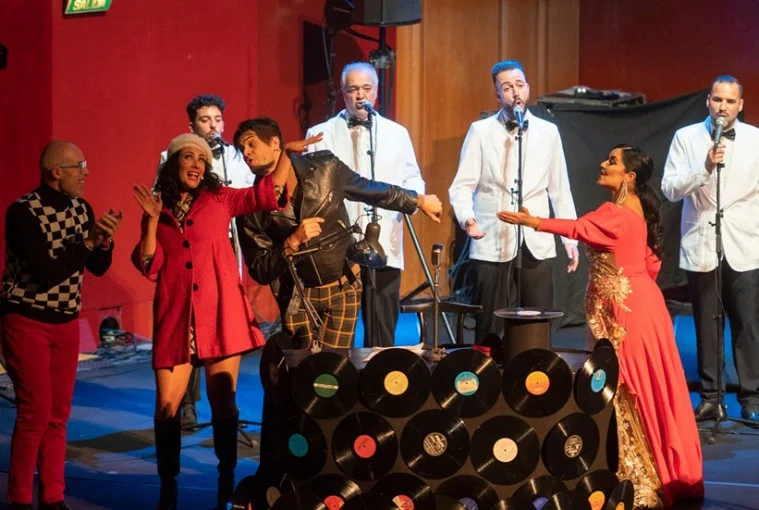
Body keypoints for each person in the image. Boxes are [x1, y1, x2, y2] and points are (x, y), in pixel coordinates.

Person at [499, 145, 704, 508]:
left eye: (612, 161)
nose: (603, 164)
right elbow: (651, 264)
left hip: (627, 313)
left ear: (629, 176)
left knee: (625, 386)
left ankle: (637, 476)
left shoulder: (617, 213)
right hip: (638, 306)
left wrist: (535, 223)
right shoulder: (637, 210)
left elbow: (579, 228)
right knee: (631, 385)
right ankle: (643, 468)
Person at [132, 133, 287, 510]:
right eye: (189, 157)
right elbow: (149, 265)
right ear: (174, 164)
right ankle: (168, 489)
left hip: (219, 313)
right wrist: (151, 222)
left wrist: (288, 155)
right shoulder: (158, 208)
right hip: (177, 317)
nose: (197, 165)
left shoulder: (221, 198)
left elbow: (265, 195)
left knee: (224, 402)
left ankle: (225, 486)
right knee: (166, 406)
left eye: (202, 159)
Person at [236, 117, 442, 349]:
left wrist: (418, 200)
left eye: (251, 144)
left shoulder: (325, 168)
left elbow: (370, 190)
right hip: (296, 296)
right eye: (241, 149)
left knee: (335, 367)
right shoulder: (250, 205)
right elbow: (260, 270)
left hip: (343, 286)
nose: (246, 153)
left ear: (275, 143)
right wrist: (291, 242)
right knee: (304, 367)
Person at [1, 141, 121, 510]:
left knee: (58, 415)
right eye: (79, 166)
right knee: (35, 412)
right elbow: (46, 272)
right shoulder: (23, 212)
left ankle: (53, 496)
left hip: (66, 322)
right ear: (56, 172)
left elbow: (96, 266)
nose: (85, 173)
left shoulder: (81, 208)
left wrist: (104, 241)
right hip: (27, 320)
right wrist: (88, 240)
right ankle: (20, 499)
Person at [448, 59, 579, 343]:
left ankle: (535, 367)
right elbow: (461, 186)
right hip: (492, 238)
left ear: (528, 88)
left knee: (538, 318)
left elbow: (560, 190)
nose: (515, 92)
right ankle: (488, 367)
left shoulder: (548, 132)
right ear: (497, 95)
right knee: (490, 322)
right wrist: (468, 219)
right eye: (507, 87)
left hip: (536, 239)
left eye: (520, 85)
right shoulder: (480, 131)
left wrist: (570, 239)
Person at [305, 62, 426, 348]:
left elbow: (413, 179)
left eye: (366, 88)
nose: (360, 96)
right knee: (337, 325)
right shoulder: (320, 133)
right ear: (342, 93)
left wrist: (413, 200)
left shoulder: (397, 133)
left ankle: (379, 371)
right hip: (337, 241)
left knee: (382, 323)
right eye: (353, 89)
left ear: (376, 92)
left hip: (384, 238)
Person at [662, 74, 759, 424]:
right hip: (702, 239)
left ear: (740, 105)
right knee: (706, 322)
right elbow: (670, 188)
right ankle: (710, 397)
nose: (723, 107)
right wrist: (703, 167)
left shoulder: (755, 139)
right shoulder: (685, 137)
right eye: (718, 99)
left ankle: (751, 398)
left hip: (744, 242)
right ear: (708, 101)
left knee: (747, 323)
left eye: (730, 101)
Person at [158, 94, 254, 428]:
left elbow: (249, 194)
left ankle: (222, 414)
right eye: (205, 120)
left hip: (222, 251)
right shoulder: (170, 156)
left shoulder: (235, 157)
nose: (213, 126)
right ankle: (186, 403)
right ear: (192, 125)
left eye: (217, 120)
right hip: (189, 256)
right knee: (187, 331)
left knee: (215, 331)